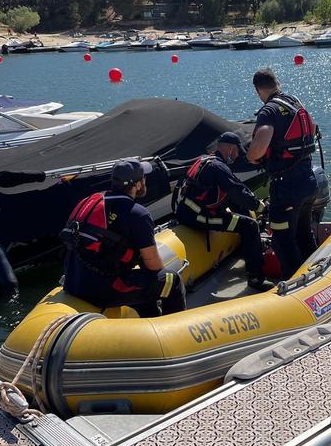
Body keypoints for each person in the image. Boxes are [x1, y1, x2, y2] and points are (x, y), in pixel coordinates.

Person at [61, 158, 185, 317]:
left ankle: (151, 319)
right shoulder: (138, 214)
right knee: (171, 280)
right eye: (143, 178)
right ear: (138, 184)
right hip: (102, 290)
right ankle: (172, 330)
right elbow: (154, 266)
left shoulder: (94, 202)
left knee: (142, 285)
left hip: (73, 283)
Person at [246, 68, 319, 279]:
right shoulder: (295, 101)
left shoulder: (269, 111)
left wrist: (251, 156)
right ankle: (315, 278)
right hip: (308, 181)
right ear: (277, 83)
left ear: (258, 90)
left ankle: (295, 288)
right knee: (304, 235)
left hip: (286, 187)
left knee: (284, 242)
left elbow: (258, 149)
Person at [176, 132, 267, 289]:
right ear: (231, 149)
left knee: (238, 208)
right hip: (200, 218)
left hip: (186, 213)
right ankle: (255, 278)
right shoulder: (219, 167)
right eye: (238, 152)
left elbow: (232, 191)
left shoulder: (205, 160)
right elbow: (238, 192)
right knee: (250, 226)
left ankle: (246, 249)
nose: (238, 156)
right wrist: (261, 207)